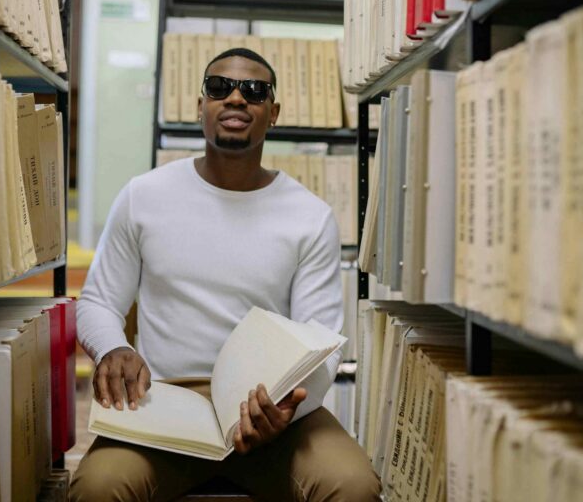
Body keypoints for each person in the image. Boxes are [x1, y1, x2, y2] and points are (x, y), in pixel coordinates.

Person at [69, 48, 381, 501]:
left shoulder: (309, 216)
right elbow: (98, 301)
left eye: (254, 92)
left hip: (271, 412)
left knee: (352, 485)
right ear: (201, 107)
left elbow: (321, 340)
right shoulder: (144, 197)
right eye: (219, 87)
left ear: (272, 113)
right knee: (98, 486)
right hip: (163, 402)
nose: (236, 98)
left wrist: (286, 408)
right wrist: (112, 347)